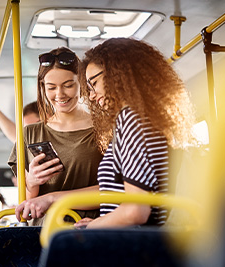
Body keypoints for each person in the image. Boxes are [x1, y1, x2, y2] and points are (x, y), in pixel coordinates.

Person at [74, 38, 195, 229]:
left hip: (134, 247)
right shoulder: (151, 118)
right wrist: (102, 221)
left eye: (94, 83)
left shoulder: (132, 119)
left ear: (117, 73)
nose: (91, 95)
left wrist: (92, 227)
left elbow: (136, 211)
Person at [9, 47, 103, 225]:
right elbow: (26, 204)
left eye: (68, 85)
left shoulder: (104, 128)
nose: (59, 94)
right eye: (51, 87)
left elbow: (114, 191)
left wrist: (53, 198)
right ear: (42, 88)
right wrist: (31, 182)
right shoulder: (29, 133)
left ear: (82, 83)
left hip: (88, 228)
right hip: (44, 231)